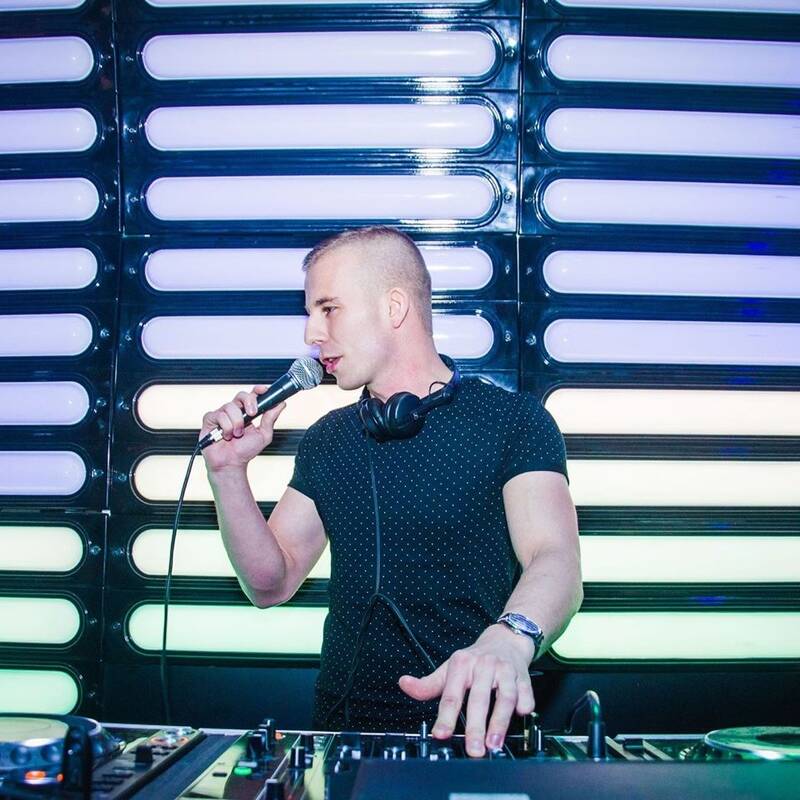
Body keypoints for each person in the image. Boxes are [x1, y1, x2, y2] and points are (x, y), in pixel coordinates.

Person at [200, 226, 583, 757]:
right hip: (341, 734)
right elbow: (270, 583)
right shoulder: (329, 439)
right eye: (310, 313)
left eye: (329, 309)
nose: (312, 333)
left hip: (472, 735)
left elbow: (555, 557)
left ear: (394, 307)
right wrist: (227, 475)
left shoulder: (512, 422)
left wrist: (511, 636)